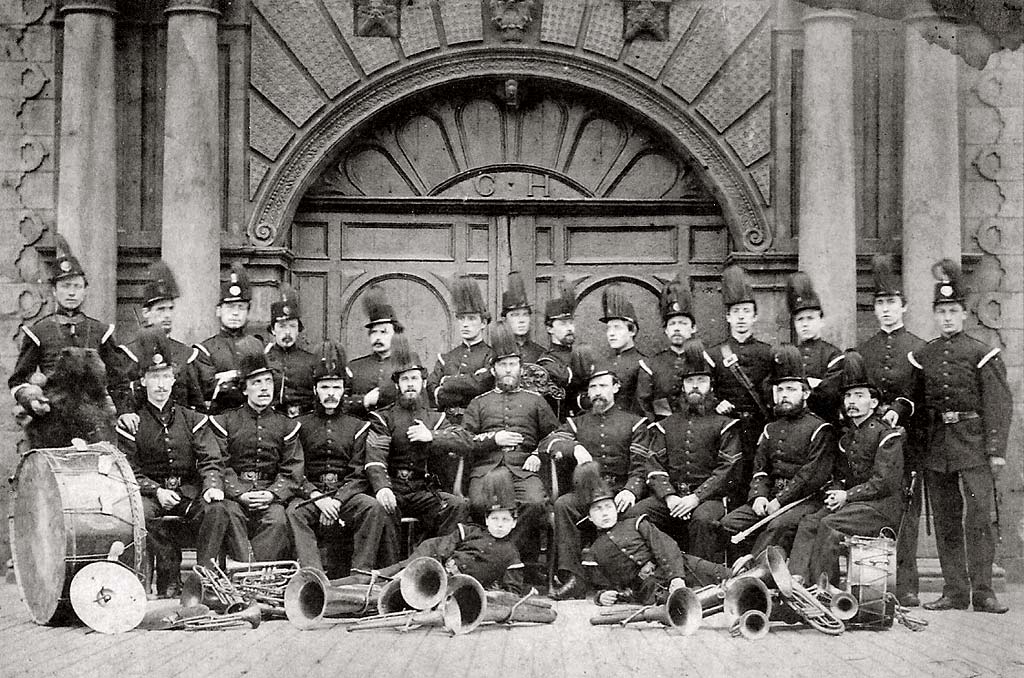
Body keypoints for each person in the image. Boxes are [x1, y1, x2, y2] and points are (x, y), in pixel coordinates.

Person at [116, 328, 247, 597]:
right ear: (143, 381)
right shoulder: (134, 423)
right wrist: (155, 491)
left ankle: (204, 578)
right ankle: (169, 577)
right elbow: (130, 470)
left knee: (217, 508)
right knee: (142, 511)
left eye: (166, 377)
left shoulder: (192, 419)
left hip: (188, 492)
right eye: (154, 378)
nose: (161, 385)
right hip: (152, 494)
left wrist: (211, 485)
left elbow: (210, 457)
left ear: (174, 380)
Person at [915, 259, 1012, 614]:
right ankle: (954, 590)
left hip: (973, 445)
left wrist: (996, 450)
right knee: (945, 520)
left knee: (980, 518)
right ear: (934, 314)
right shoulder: (924, 354)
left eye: (953, 311)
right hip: (938, 447)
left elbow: (999, 403)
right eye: (941, 312)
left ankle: (983, 591)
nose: (946, 318)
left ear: (964, 315)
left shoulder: (980, 352)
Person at [539, 355, 654, 600]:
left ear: (615, 388)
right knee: (563, 505)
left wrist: (631, 490)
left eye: (603, 386)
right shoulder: (576, 423)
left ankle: (630, 579)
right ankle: (573, 576)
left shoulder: (635, 423)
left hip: (619, 492)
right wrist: (574, 448)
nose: (597, 392)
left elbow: (641, 465)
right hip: (586, 492)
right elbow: (548, 443)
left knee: (636, 513)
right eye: (592, 387)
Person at [788, 351, 905, 587]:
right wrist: (835, 492)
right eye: (848, 396)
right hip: (852, 504)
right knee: (810, 521)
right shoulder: (847, 436)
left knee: (828, 525)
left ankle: (826, 588)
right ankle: (795, 583)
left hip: (879, 507)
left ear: (873, 403)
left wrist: (846, 496)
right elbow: (839, 476)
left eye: (859, 396)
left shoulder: (888, 436)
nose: (851, 401)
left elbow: (883, 483)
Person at [287, 342, 398, 575]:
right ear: (316, 390)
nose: (330, 394)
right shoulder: (299, 425)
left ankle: (361, 573)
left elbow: (359, 474)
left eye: (336, 387)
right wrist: (317, 497)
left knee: (372, 508)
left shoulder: (358, 426)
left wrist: (337, 500)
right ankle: (312, 576)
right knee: (294, 512)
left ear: (344, 390)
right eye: (325, 387)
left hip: (344, 495)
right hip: (312, 495)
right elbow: (295, 470)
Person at [629, 338, 741, 563]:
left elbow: (727, 469)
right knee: (635, 515)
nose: (696, 386)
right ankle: (653, 573)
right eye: (690, 381)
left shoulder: (725, 424)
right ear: (683, 386)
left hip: (709, 500)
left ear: (711, 385)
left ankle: (702, 583)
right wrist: (669, 497)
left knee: (702, 519)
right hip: (671, 497)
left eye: (701, 380)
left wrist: (695, 498)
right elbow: (653, 463)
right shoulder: (666, 424)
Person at [856, 255, 927, 606]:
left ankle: (908, 585)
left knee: (906, 513)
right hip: (871, 445)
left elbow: (924, 400)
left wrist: (902, 408)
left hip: (907, 445)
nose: (886, 310)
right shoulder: (864, 351)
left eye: (892, 303)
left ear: (904, 306)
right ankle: (872, 584)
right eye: (880, 304)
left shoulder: (918, 349)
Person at [461, 322, 559, 576]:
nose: (508, 370)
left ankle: (502, 562)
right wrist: (495, 439)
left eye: (512, 364)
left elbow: (556, 434)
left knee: (536, 503)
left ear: (520, 368)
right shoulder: (479, 403)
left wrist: (538, 452)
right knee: (479, 503)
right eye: (502, 365)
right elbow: (464, 439)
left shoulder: (535, 401)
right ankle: (497, 562)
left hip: (523, 470)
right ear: (493, 369)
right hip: (486, 471)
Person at [719, 345, 837, 557]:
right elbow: (760, 470)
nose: (784, 395)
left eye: (791, 389)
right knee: (729, 524)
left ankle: (755, 577)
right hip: (772, 498)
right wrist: (759, 496)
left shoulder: (820, 429)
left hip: (806, 501)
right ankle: (739, 577)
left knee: (777, 526)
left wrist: (779, 501)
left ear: (806, 393)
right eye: (780, 390)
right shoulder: (770, 428)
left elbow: (809, 477)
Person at [351, 334, 470, 539]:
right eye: (404, 379)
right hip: (393, 489)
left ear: (423, 382)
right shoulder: (383, 418)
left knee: (455, 505)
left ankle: (438, 561)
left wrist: (432, 436)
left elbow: (464, 439)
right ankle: (389, 568)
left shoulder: (436, 418)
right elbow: (375, 458)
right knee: (383, 509)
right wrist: (382, 488)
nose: (410, 384)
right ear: (397, 385)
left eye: (414, 378)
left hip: (423, 490)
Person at [336, 469, 524, 594]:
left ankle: (358, 591)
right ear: (486, 520)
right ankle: (344, 585)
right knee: (390, 575)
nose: (500, 524)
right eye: (495, 519)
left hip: (453, 585)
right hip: (432, 556)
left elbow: (511, 591)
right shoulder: (470, 532)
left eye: (506, 520)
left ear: (514, 523)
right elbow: (442, 547)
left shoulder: (511, 556)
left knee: (396, 586)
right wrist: (429, 566)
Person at [574, 462, 733, 606]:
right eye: (597, 509)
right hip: (648, 588)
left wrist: (676, 577)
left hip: (676, 566)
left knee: (720, 574)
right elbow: (602, 584)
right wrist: (602, 596)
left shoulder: (636, 523)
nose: (605, 513)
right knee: (676, 602)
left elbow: (665, 546)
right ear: (590, 517)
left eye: (608, 506)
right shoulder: (595, 552)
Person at [10, 236, 120, 428]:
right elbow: (18, 381)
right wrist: (31, 399)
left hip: (95, 422)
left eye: (77, 286)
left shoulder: (100, 331)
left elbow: (119, 380)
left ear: (85, 290)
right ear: (54, 290)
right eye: (65, 286)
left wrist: (124, 412)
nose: (71, 293)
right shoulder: (38, 332)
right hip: (51, 422)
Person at [208, 338, 302, 561]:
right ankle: (245, 569)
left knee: (278, 519)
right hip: (236, 493)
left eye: (268, 382)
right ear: (245, 389)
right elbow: (220, 462)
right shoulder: (227, 422)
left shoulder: (286, 425)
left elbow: (292, 469)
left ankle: (257, 576)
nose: (263, 388)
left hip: (269, 493)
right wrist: (240, 493)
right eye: (256, 383)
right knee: (229, 513)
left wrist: (272, 493)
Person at [707, 264, 773, 509]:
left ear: (755, 316)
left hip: (758, 426)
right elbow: (705, 389)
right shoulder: (714, 354)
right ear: (728, 317)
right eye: (736, 311)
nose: (742, 317)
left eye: (747, 311)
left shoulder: (767, 353)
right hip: (728, 429)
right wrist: (716, 402)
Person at [111, 259, 204, 418]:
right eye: (160, 309)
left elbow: (196, 404)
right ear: (146, 313)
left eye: (170, 309)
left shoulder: (186, 354)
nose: (167, 315)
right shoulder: (128, 354)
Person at [427, 275, 494, 489]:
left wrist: (447, 382)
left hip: (476, 426)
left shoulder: (490, 356)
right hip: (446, 426)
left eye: (472, 319)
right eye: (462, 318)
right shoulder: (446, 357)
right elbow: (433, 392)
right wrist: (461, 385)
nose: (465, 324)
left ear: (483, 323)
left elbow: (480, 386)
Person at [195, 263, 263, 414]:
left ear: (248, 312)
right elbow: (208, 389)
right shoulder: (204, 350)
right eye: (230, 307)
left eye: (241, 307)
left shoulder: (257, 346)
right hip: (221, 418)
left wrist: (230, 376)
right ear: (219, 311)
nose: (235, 313)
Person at [637, 270, 699, 418]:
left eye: (683, 323)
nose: (677, 328)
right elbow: (643, 403)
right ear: (665, 330)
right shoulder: (651, 365)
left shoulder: (704, 361)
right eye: (672, 324)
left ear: (693, 328)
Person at [786, 271, 844, 424]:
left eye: (810, 318)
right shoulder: (789, 354)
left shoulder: (834, 355)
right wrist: (811, 384)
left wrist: (797, 390)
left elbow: (829, 394)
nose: (805, 324)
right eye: (800, 319)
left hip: (824, 423)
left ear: (821, 320)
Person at [343, 285, 402, 419]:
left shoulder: (405, 366)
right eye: (374, 332)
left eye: (383, 332)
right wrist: (364, 401)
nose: (377, 337)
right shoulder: (354, 367)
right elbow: (339, 403)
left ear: (396, 334)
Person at [264, 283, 317, 418]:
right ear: (272, 330)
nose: (287, 332)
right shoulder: (263, 359)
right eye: (282, 326)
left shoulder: (311, 360)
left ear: (298, 330)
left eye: (292, 326)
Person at [536, 276, 582, 421]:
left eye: (570, 323)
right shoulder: (546, 362)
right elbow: (566, 378)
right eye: (562, 324)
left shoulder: (579, 354)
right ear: (550, 328)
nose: (569, 328)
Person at [598, 284, 648, 417]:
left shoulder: (643, 364)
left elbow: (644, 408)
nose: (611, 333)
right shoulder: (602, 363)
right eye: (608, 328)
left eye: (617, 327)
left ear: (632, 330)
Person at [501, 272, 545, 364]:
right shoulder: (497, 351)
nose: (521, 320)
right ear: (505, 319)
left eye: (525, 314)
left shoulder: (540, 353)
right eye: (515, 315)